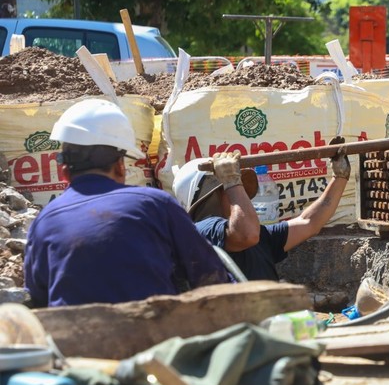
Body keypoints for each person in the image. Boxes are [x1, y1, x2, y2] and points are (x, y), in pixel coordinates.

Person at [24, 98, 230, 307]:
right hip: (155, 336)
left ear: (65, 172)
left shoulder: (43, 222)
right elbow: (211, 278)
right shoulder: (156, 204)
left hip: (75, 337)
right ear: (120, 167)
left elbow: (38, 300)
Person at [172, 140, 350, 282]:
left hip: (265, 324)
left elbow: (309, 223)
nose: (237, 193)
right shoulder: (202, 232)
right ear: (210, 195)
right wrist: (232, 181)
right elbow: (247, 235)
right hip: (242, 326)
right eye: (227, 188)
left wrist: (339, 177)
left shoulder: (258, 237)